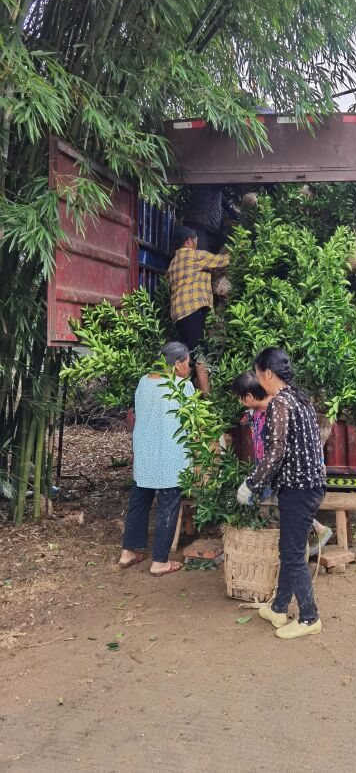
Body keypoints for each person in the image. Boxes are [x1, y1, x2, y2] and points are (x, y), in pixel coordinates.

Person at [236, 349, 326, 639]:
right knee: (290, 550)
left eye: (259, 374)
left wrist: (251, 484)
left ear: (268, 374)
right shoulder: (300, 399)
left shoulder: (280, 404)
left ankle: (310, 618)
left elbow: (275, 453)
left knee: (292, 554)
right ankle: (278, 608)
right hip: (309, 485)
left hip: (299, 489)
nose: (258, 379)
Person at [232, 370, 332, 555]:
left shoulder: (280, 409)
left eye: (240, 398)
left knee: (277, 500)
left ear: (249, 397)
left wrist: (319, 461)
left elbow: (307, 439)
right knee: (274, 501)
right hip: (266, 468)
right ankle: (313, 533)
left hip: (283, 471)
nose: (239, 402)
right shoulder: (256, 412)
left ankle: (316, 532)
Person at [118, 342, 195, 577]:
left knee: (139, 501)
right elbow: (192, 423)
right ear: (178, 364)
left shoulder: (143, 382)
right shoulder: (183, 386)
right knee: (167, 507)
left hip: (146, 453)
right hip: (172, 456)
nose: (190, 368)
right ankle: (160, 561)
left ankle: (127, 552)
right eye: (189, 363)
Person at [167, 226, 229, 394]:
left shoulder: (173, 262)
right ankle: (206, 398)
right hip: (191, 310)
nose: (197, 244)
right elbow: (222, 261)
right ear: (189, 241)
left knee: (187, 352)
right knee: (200, 352)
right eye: (196, 241)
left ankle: (179, 394)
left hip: (178, 313)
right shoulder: (195, 256)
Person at [183, 184, 240, 253]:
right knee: (199, 253)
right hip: (200, 224)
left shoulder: (213, 190)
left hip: (201, 225)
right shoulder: (210, 183)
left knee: (202, 252)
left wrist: (234, 214)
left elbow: (224, 202)